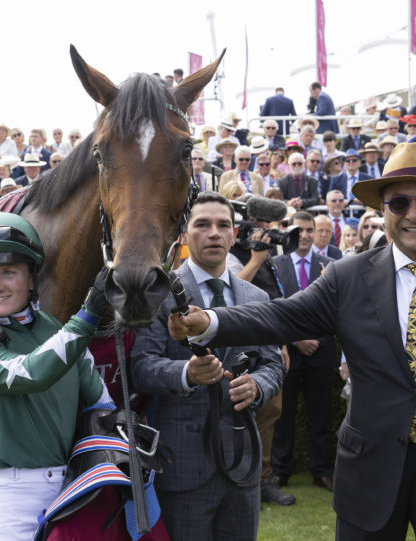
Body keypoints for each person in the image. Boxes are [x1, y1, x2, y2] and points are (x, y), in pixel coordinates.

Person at [167, 142, 416, 540]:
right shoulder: (348, 277)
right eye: (398, 204)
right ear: (382, 208)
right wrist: (210, 320)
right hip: (371, 473)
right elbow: (281, 315)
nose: (414, 214)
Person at [0, 212, 113, 539]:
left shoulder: (57, 331)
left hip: (73, 490)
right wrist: (89, 314)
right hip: (7, 502)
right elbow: (29, 374)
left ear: (32, 277)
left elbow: (102, 405)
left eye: (8, 272)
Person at [130, 192, 283, 540]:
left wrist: (258, 385)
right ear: (185, 234)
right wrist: (186, 374)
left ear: (233, 235)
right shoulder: (159, 293)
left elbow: (273, 365)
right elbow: (141, 366)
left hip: (243, 462)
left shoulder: (257, 298)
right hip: (182, 465)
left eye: (223, 225)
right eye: (202, 224)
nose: (213, 233)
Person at [269, 211, 336, 492]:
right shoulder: (274, 264)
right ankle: (280, 470)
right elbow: (272, 306)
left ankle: (321, 471)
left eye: (310, 230)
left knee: (321, 414)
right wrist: (296, 340)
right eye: (300, 230)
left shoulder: (330, 265)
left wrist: (315, 338)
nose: (305, 235)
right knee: (283, 415)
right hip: (288, 352)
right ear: (289, 232)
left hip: (321, 350)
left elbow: (335, 307)